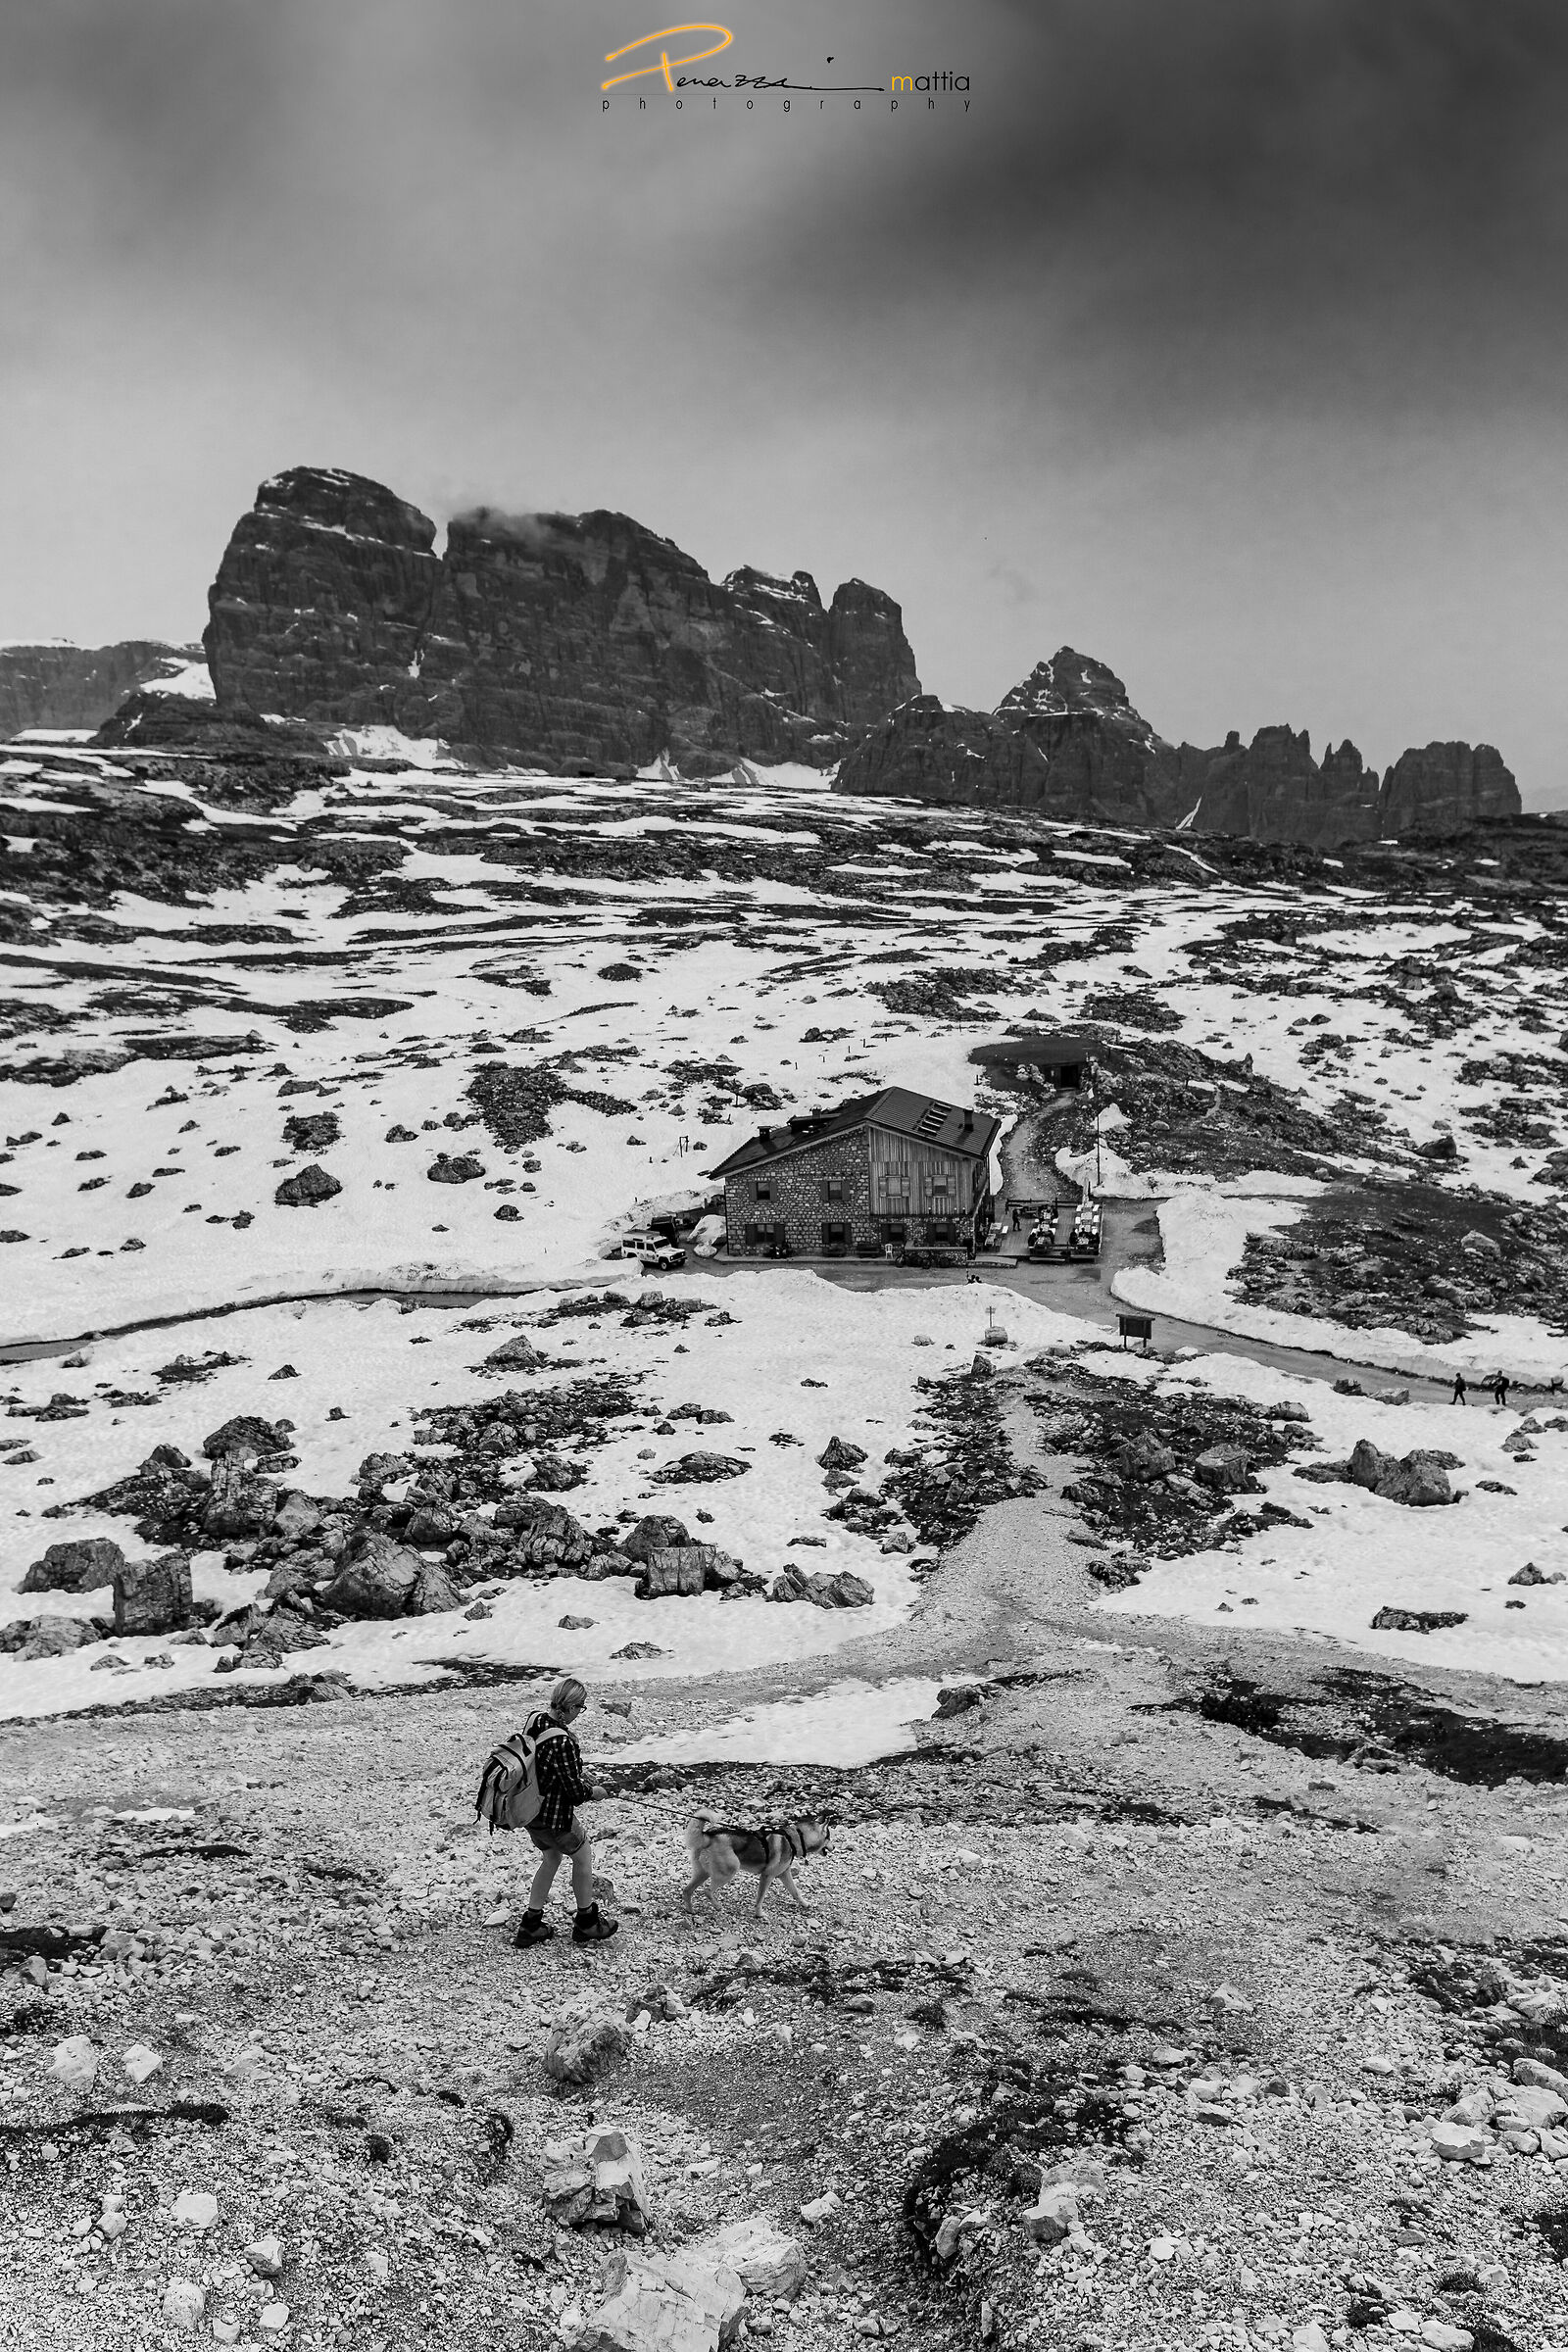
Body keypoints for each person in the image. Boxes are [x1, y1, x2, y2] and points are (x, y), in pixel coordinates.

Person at [513, 1677, 617, 1948]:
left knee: (551, 1857)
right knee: (583, 1856)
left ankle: (531, 1924)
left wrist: (577, 1775)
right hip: (555, 1816)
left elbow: (546, 1764)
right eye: (580, 1708)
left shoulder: (535, 1720)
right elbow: (573, 1792)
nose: (579, 1714)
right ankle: (587, 1922)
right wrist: (593, 1792)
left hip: (530, 1812)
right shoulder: (564, 1742)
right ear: (569, 1707)